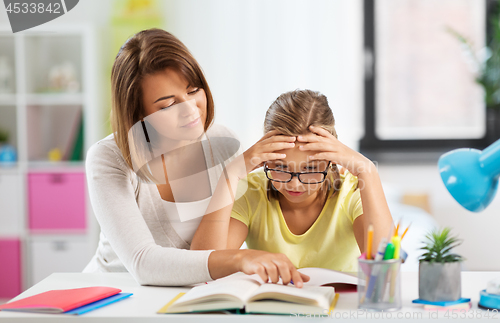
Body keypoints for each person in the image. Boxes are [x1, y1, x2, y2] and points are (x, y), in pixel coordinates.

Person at [83, 28, 309, 287]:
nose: (190, 110)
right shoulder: (108, 158)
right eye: (168, 105)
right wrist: (239, 258)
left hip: (186, 297)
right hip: (113, 293)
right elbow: (143, 263)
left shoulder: (223, 144)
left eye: (193, 91)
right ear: (138, 114)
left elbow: (209, 255)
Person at [191, 89, 394, 273]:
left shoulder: (352, 190)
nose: (295, 184)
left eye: (311, 169)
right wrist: (230, 174)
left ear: (331, 160)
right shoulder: (251, 190)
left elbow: (384, 263)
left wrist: (368, 172)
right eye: (280, 167)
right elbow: (202, 264)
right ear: (265, 159)